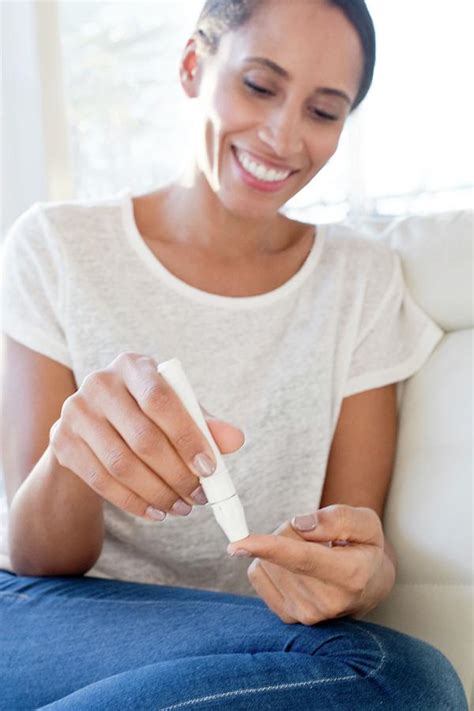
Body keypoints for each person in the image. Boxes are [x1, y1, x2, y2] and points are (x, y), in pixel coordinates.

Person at [0, 0, 468, 708]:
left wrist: (366, 577)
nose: (283, 136)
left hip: (237, 652)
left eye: (324, 110)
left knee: (403, 673)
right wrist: (77, 455)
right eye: (259, 85)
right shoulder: (58, 246)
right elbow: (39, 558)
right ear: (193, 65)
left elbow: (351, 544)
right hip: (44, 620)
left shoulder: (359, 281)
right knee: (402, 681)